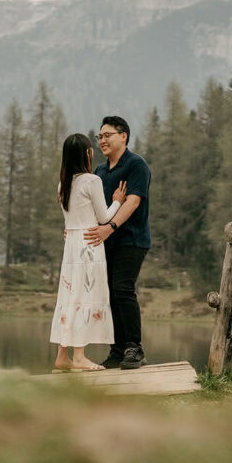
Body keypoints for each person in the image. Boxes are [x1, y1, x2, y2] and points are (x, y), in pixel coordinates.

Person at [50, 133, 128, 372]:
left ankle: (63, 356)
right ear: (87, 153)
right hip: (88, 245)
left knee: (69, 296)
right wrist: (117, 201)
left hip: (71, 245)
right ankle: (80, 357)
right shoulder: (91, 181)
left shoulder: (63, 183)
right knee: (83, 297)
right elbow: (103, 217)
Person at [84, 116, 151, 370]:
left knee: (123, 289)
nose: (102, 140)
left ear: (123, 136)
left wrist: (110, 228)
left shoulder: (137, 165)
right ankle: (118, 350)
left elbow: (132, 202)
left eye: (107, 135)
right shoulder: (100, 172)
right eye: (99, 136)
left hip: (131, 240)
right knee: (110, 293)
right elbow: (95, 207)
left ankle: (135, 348)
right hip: (106, 241)